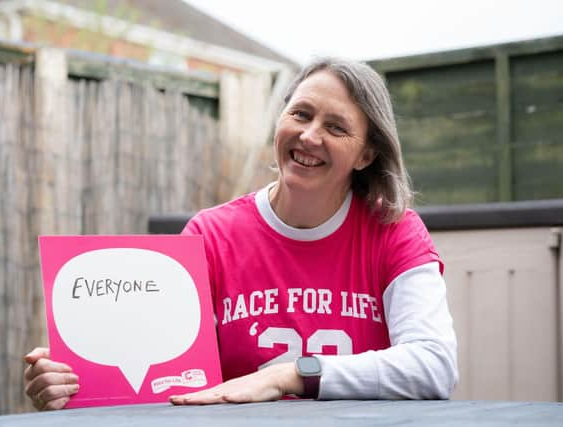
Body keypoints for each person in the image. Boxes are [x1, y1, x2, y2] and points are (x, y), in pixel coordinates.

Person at [24, 57, 458, 409]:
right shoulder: (210, 236)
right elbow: (157, 376)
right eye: (300, 114)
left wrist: (292, 374)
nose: (309, 136)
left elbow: (435, 365)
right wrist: (71, 384)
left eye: (335, 127)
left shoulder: (393, 230)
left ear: (366, 154)